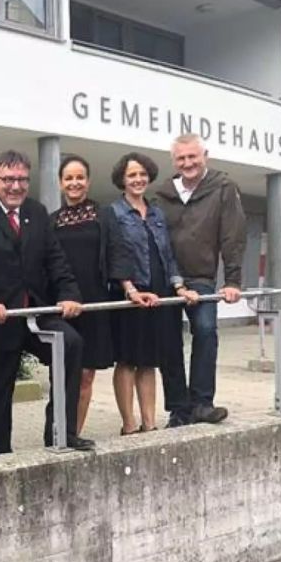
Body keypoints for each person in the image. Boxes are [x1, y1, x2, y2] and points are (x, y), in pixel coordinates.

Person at [0, 149, 94, 454]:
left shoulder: (37, 211)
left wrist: (70, 294)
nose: (16, 186)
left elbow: (55, 259)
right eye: (9, 179)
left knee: (70, 344)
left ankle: (61, 433)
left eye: (22, 179)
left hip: (35, 311)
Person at [154, 134, 247, 427]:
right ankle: (179, 410)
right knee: (168, 343)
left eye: (193, 156)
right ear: (174, 161)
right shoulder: (162, 194)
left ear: (205, 154)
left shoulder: (223, 188)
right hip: (167, 279)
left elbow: (233, 236)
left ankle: (202, 403)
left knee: (206, 331)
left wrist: (232, 280)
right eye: (181, 158)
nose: (188, 163)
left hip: (201, 278)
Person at [103, 152, 200, 435]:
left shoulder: (157, 212)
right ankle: (129, 424)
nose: (138, 179)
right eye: (132, 174)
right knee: (128, 359)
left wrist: (179, 285)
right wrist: (129, 288)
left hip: (159, 294)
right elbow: (114, 254)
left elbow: (168, 255)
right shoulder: (113, 212)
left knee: (149, 360)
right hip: (129, 294)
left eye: (142, 174)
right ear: (122, 179)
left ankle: (149, 422)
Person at [50, 154, 113, 435]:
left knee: (87, 374)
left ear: (88, 181)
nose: (74, 183)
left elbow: (117, 255)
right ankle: (57, 432)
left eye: (79, 177)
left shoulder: (104, 216)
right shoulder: (51, 221)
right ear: (61, 183)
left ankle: (73, 433)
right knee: (63, 375)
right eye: (68, 178)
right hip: (63, 304)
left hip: (95, 303)